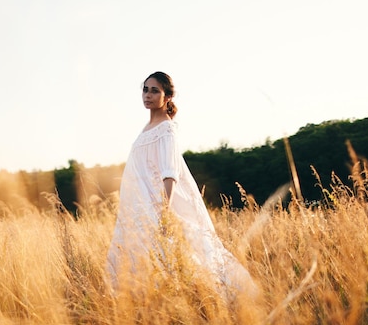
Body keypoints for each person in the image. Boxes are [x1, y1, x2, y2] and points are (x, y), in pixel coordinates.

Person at [106, 71, 256, 298]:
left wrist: (163, 212)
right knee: (138, 256)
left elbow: (170, 174)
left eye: (154, 90)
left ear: (167, 97)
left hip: (157, 205)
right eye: (145, 89)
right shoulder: (146, 129)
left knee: (178, 256)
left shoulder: (167, 129)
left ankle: (205, 298)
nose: (147, 95)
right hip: (137, 206)